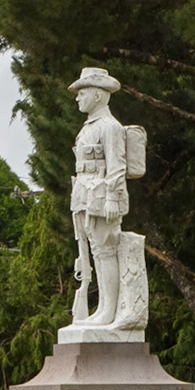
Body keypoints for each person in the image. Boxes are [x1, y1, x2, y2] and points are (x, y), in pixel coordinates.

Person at [69, 67, 129, 326]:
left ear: (96, 95)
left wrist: (113, 199)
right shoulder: (88, 127)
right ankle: (102, 308)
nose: (77, 98)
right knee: (95, 252)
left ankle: (109, 311)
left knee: (105, 252)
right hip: (85, 196)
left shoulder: (110, 127)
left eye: (82, 92)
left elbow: (117, 165)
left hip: (102, 198)